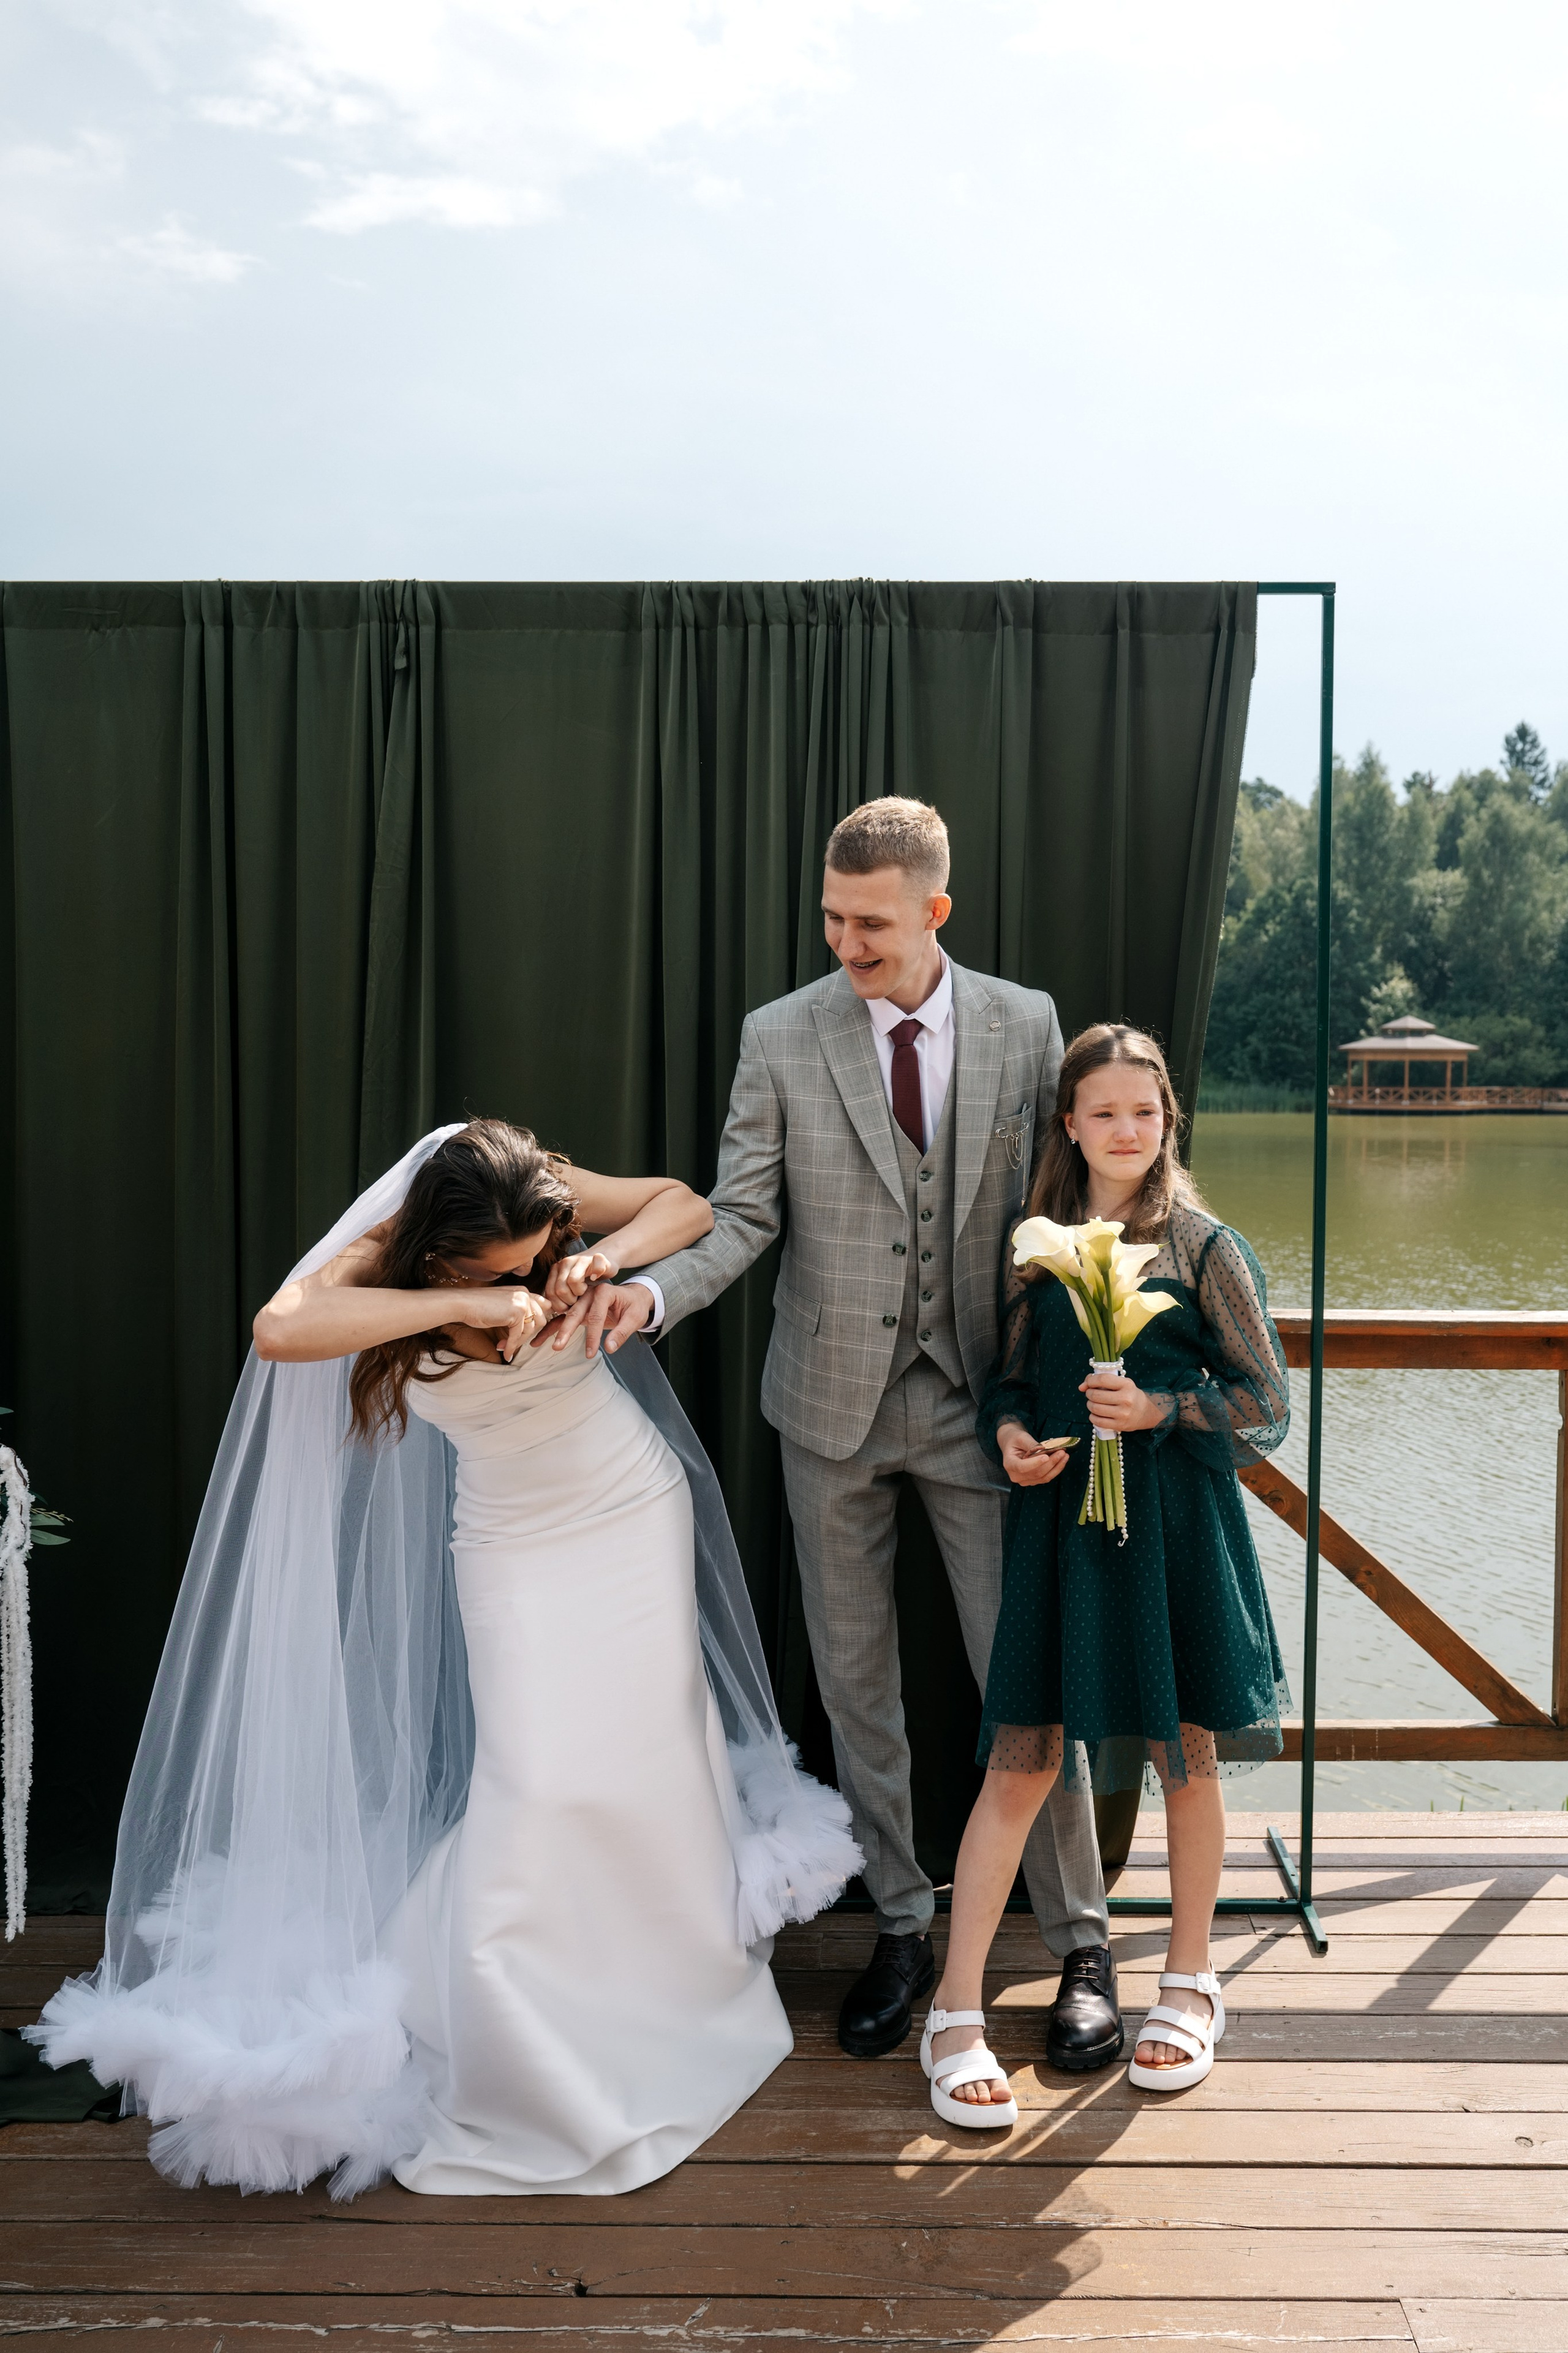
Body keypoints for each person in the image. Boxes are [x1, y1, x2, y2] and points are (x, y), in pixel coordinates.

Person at [31, 1120, 859, 2197]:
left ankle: (666, 1994)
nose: (521, 1278)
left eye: (531, 1257)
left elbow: (686, 1205)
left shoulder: (544, 1197)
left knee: (653, 1755)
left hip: (625, 1505)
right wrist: (461, 1305)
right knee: (541, 1780)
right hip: (512, 1542)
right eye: (493, 1267)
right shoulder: (392, 1256)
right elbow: (283, 1327)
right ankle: (518, 2022)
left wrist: (602, 1260)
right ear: (439, 1246)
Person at [558, 800, 1120, 2071]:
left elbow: (1061, 1207)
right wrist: (649, 1296)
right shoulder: (779, 1035)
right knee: (856, 1686)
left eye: (868, 921)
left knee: (1020, 1680)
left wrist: (1079, 1368)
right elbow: (742, 1214)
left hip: (985, 1409)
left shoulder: (1025, 1024)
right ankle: (905, 1925)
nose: (842, 940)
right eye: (829, 914)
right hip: (826, 1411)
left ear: (934, 911)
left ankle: (1079, 1938)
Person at [919, 1024, 1290, 2128]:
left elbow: (1268, 1403)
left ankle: (1189, 1984)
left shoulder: (1205, 1247)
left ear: (1168, 1117)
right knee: (1020, 1761)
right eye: (1104, 1112)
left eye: (1146, 1110)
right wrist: (1009, 1442)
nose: (1127, 1130)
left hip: (1174, 1534)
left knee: (1188, 1758)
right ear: (1070, 1125)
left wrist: (1165, 1410)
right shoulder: (1040, 1246)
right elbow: (1007, 1382)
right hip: (1063, 1535)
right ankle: (954, 2011)